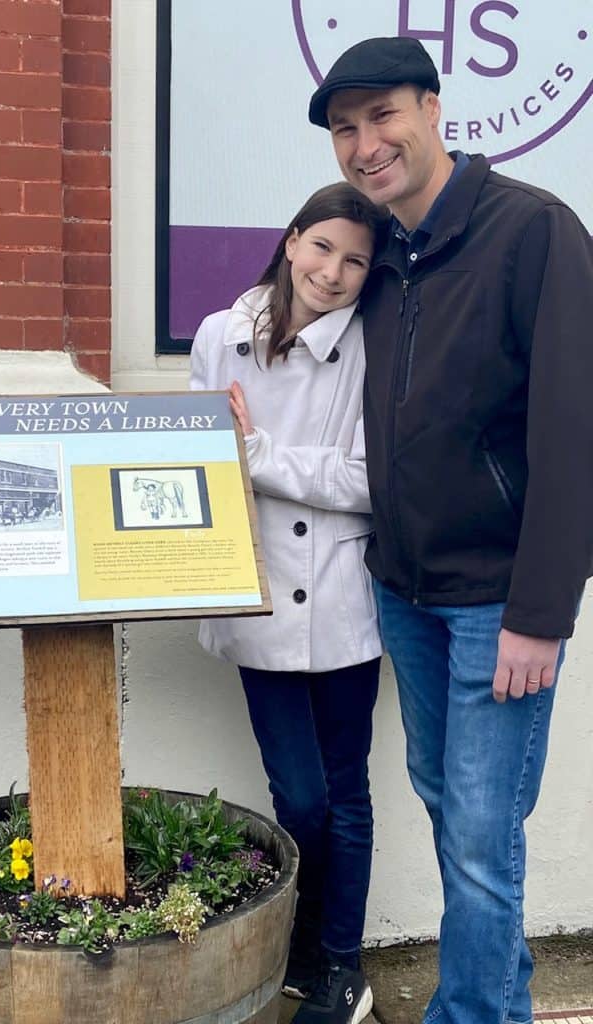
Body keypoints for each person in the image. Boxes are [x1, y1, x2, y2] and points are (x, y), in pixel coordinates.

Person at [307, 35, 593, 1024]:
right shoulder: (383, 252)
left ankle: (475, 1012)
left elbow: (573, 430)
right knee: (455, 807)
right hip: (407, 592)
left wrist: (541, 611)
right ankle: (498, 994)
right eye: (346, 129)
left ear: (432, 108)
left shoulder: (535, 233)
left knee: (479, 832)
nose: (364, 142)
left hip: (498, 607)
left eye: (381, 115)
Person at [190, 182, 388, 1024]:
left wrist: (258, 453)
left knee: (345, 790)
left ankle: (336, 963)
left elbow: (371, 482)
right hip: (256, 591)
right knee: (299, 796)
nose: (333, 273)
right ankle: (301, 950)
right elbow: (198, 455)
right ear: (291, 240)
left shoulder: (374, 350)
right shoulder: (219, 336)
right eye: (322, 249)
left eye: (355, 261)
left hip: (342, 600)